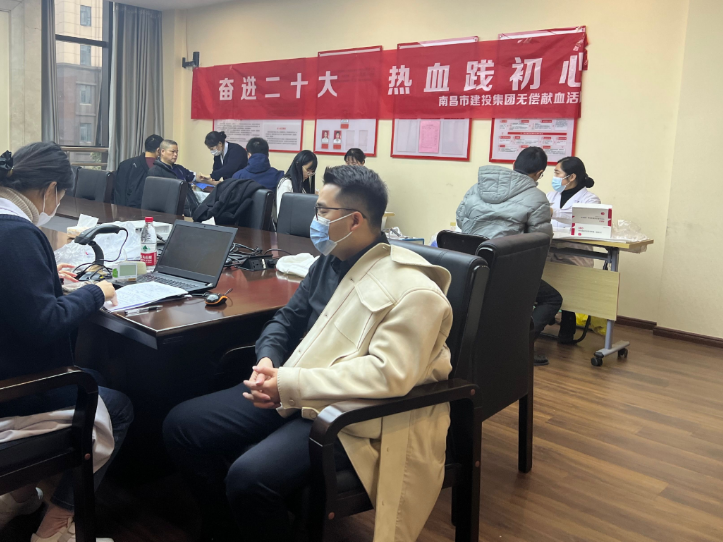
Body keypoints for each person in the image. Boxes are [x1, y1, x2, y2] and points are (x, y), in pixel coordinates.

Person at [164, 165, 453, 542]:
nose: (315, 220)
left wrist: (287, 383)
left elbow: (386, 375)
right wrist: (268, 360)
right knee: (182, 425)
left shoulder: (414, 289)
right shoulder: (328, 261)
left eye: (322, 211)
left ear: (354, 220)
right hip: (293, 386)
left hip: (347, 412)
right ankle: (225, 526)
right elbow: (286, 320)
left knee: (249, 477)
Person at [0, 143, 133, 542]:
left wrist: (46, 273)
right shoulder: (17, 233)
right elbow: (45, 325)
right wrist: (97, 291)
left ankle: (18, 496)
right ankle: (56, 527)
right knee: (118, 406)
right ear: (51, 189)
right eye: (60, 196)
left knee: (94, 378)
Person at [456, 146, 562, 365]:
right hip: (504, 269)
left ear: (514, 165)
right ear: (539, 173)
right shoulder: (537, 197)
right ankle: (518, 348)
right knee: (552, 298)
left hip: (469, 265)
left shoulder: (476, 188)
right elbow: (540, 241)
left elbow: (460, 219)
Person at [547, 155, 601, 342]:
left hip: (574, 255)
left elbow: (581, 218)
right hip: (551, 252)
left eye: (557, 173)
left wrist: (552, 212)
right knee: (546, 283)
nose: (554, 177)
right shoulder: (550, 196)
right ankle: (543, 319)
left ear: (571, 177)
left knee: (570, 291)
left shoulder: (590, 199)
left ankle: (567, 327)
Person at [147, 139, 199, 215]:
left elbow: (193, 177)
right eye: (172, 151)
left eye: (177, 152)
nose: (175, 154)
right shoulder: (155, 171)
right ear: (162, 151)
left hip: (191, 210)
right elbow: (158, 198)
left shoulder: (179, 169)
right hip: (173, 214)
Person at [113, 134, 163, 207]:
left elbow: (118, 192)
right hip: (145, 210)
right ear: (159, 150)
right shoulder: (158, 168)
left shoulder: (124, 164)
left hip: (122, 209)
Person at [275, 149, 317, 216]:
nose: (309, 174)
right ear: (298, 165)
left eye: (312, 172)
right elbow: (282, 213)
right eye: (307, 170)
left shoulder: (302, 184)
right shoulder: (286, 184)